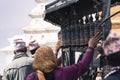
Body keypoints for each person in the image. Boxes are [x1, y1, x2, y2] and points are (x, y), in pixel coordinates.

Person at [26, 32, 102, 80]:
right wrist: (91, 47)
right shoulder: (63, 73)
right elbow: (83, 66)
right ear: (51, 58)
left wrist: (58, 53)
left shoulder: (32, 77)